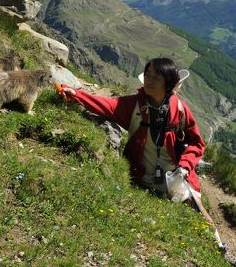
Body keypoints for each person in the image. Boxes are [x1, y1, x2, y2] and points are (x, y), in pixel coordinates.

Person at [58, 57, 204, 197]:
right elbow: (105, 105)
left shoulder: (180, 110)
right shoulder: (134, 104)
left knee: (194, 207)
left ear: (168, 84)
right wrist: (75, 94)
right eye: (148, 75)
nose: (149, 81)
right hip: (141, 178)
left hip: (174, 180)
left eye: (156, 78)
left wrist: (184, 166)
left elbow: (197, 143)